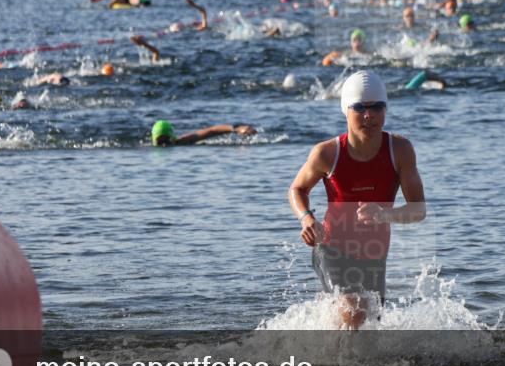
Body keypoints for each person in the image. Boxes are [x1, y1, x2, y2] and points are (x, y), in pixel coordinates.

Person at [288, 71, 426, 330]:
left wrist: (387, 215)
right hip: (331, 248)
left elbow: (419, 209)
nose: (368, 115)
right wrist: (306, 218)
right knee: (355, 309)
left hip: (374, 252)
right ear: (345, 110)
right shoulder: (327, 153)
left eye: (376, 107)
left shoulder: (401, 150)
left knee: (369, 327)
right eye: (360, 107)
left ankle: (338, 362)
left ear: (385, 109)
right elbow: (297, 189)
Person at [150, 119, 256, 146]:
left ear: (172, 138)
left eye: (167, 141)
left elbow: (211, 131)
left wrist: (236, 128)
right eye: (160, 142)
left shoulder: (182, 141)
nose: (164, 145)